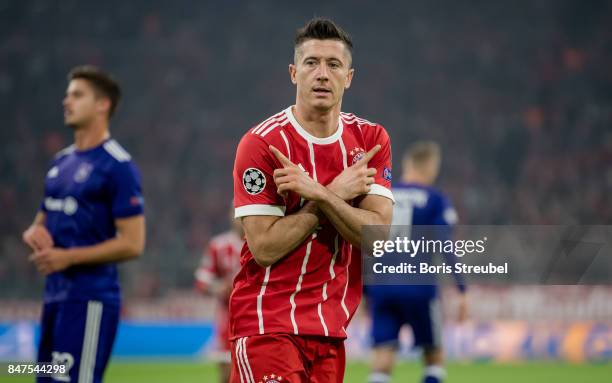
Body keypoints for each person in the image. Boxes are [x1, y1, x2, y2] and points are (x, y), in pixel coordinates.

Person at [230, 17, 394, 383]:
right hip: (266, 325)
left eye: (333, 65)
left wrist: (319, 192)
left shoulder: (370, 140)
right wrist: (336, 194)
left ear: (348, 77)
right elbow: (265, 247)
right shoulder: (261, 145)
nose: (322, 74)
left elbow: (378, 237)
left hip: (331, 332)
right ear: (293, 73)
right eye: (311, 63)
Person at [22, 65, 145, 383]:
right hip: (54, 297)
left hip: (89, 300)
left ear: (102, 105)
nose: (67, 101)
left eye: (77, 95)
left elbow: (133, 243)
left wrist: (68, 257)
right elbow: (42, 219)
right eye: (67, 95)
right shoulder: (60, 163)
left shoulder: (118, 166)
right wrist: (33, 232)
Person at [366, 141, 467, 383]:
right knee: (434, 355)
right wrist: (461, 288)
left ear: (406, 164)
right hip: (419, 287)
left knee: (382, 358)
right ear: (430, 166)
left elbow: (364, 242)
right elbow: (444, 242)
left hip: (382, 287)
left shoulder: (384, 196)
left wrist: (363, 289)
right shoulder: (434, 199)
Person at [194, 206, 244, 383]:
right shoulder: (219, 245)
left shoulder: (264, 244)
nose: (238, 217)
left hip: (259, 318)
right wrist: (219, 288)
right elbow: (202, 279)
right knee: (227, 375)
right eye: (234, 212)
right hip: (228, 321)